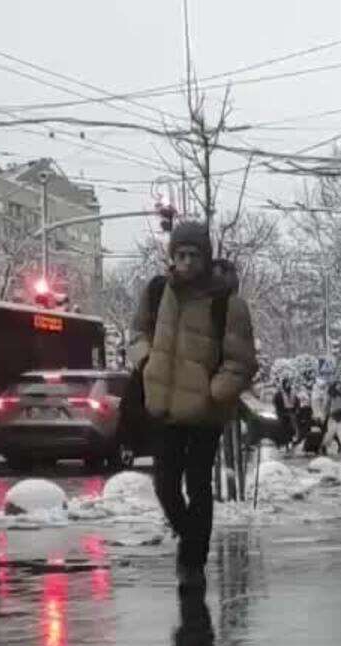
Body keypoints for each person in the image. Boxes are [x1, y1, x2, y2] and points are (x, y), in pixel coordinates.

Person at [127, 219, 257, 592]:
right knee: (166, 485)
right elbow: (137, 333)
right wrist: (146, 361)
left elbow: (241, 360)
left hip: (203, 412)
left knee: (198, 484)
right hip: (163, 406)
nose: (185, 262)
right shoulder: (156, 292)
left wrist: (216, 390)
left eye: (193, 255)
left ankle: (193, 561)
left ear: (205, 257)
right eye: (179, 254)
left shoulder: (226, 304)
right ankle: (190, 536)